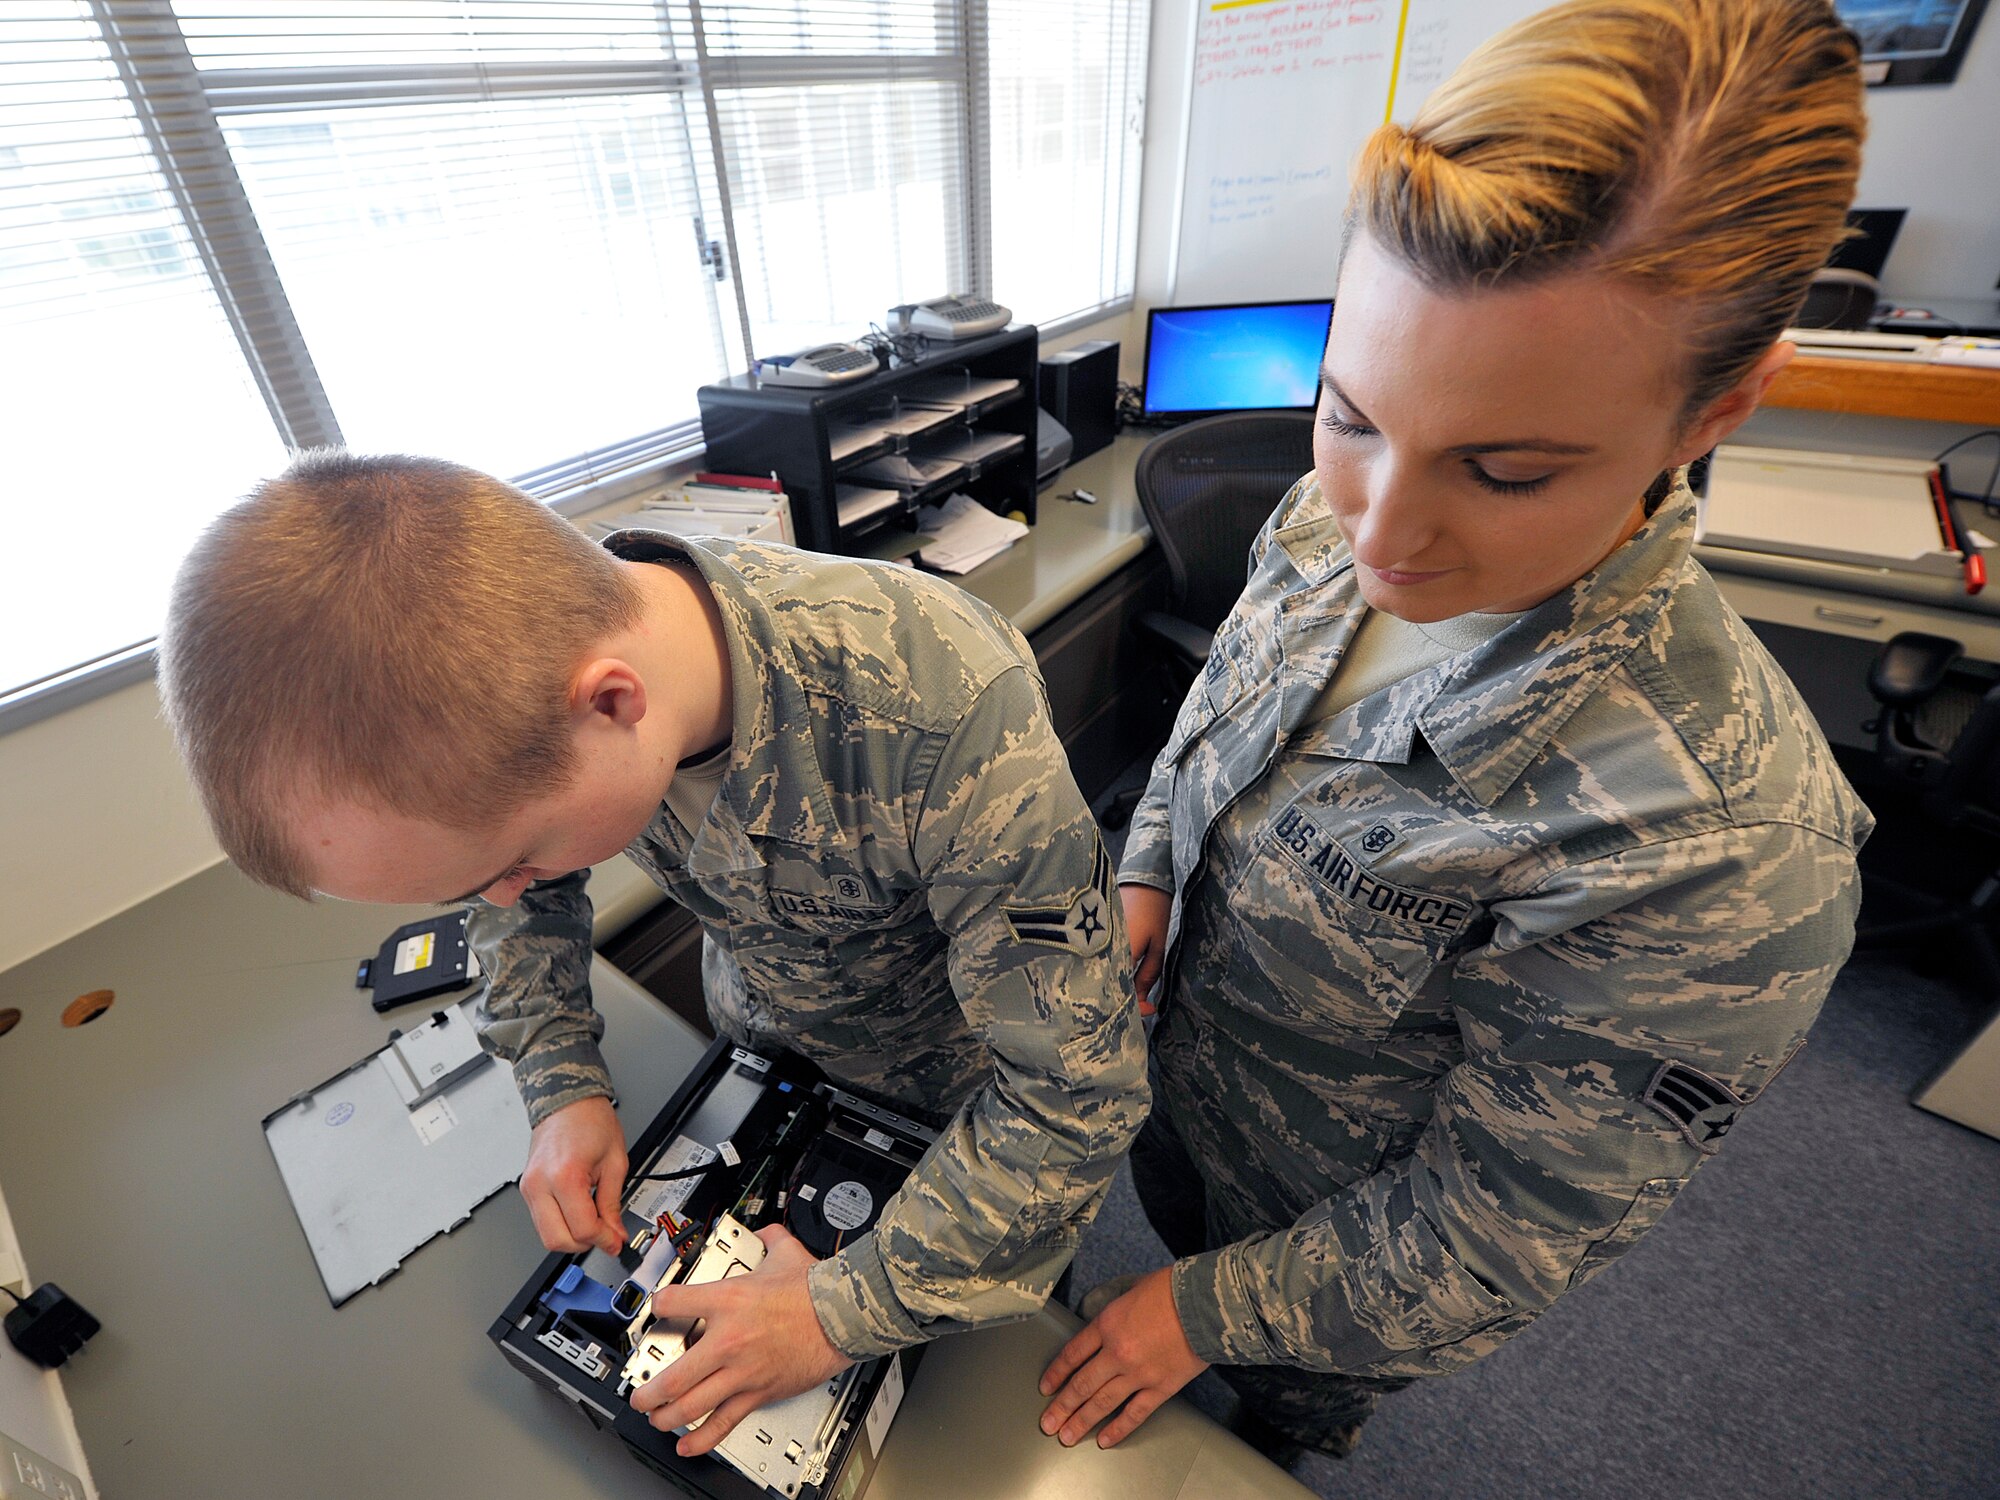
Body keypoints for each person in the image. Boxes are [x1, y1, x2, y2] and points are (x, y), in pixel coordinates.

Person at [1037, 0, 1872, 1464]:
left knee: (1262, 1442)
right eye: (1350, 413)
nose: (1382, 529)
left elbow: (1500, 1233)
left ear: (1714, 412)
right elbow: (1216, 717)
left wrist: (1203, 1316)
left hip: (1334, 1261)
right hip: (1177, 1112)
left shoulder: (1717, 848)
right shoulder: (1333, 514)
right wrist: (1150, 868)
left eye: (1502, 470)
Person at [157, 455, 1147, 1456]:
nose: (506, 893)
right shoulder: (528, 686)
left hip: (963, 1129)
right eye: (467, 886)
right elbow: (523, 902)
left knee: (963, 1423)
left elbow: (1073, 1096)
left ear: (614, 705)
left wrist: (839, 1311)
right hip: (763, 1059)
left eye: (513, 858)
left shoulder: (942, 710)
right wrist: (559, 1086)